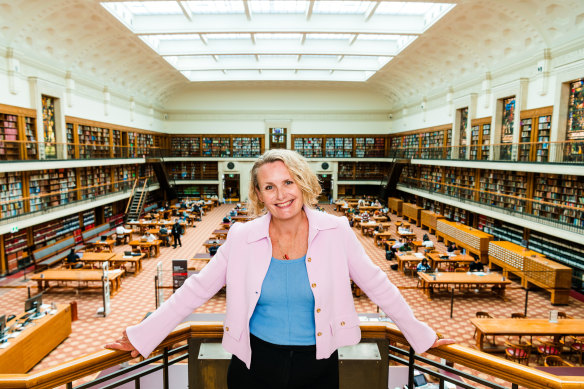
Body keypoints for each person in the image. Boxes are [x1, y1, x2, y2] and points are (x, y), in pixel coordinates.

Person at [105, 149, 453, 389]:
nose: (281, 194)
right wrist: (143, 334)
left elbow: (378, 285)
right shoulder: (242, 236)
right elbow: (196, 289)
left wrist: (420, 334)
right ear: (258, 193)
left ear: (303, 183)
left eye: (288, 182)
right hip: (254, 363)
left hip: (318, 364)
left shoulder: (336, 230)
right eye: (269, 186)